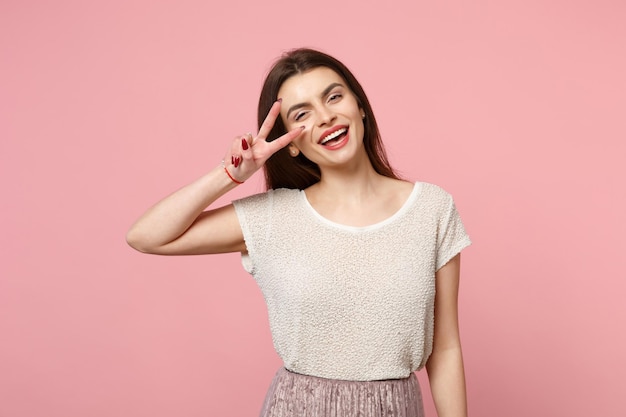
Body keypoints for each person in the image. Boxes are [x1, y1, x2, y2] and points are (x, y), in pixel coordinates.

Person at [126, 48, 471, 417]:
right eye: (302, 114)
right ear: (289, 143)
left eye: (334, 96)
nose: (325, 117)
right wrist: (229, 176)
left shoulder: (432, 209)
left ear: (361, 107)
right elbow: (146, 236)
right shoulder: (276, 216)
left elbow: (445, 348)